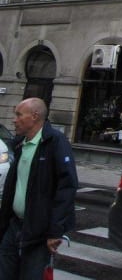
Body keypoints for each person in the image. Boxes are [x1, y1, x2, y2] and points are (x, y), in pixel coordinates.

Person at [0, 97, 79, 280]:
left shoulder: (55, 142)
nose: (14, 120)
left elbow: (67, 187)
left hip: (39, 232)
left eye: (19, 115)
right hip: (14, 225)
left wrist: (55, 231)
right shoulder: (20, 144)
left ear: (34, 116)